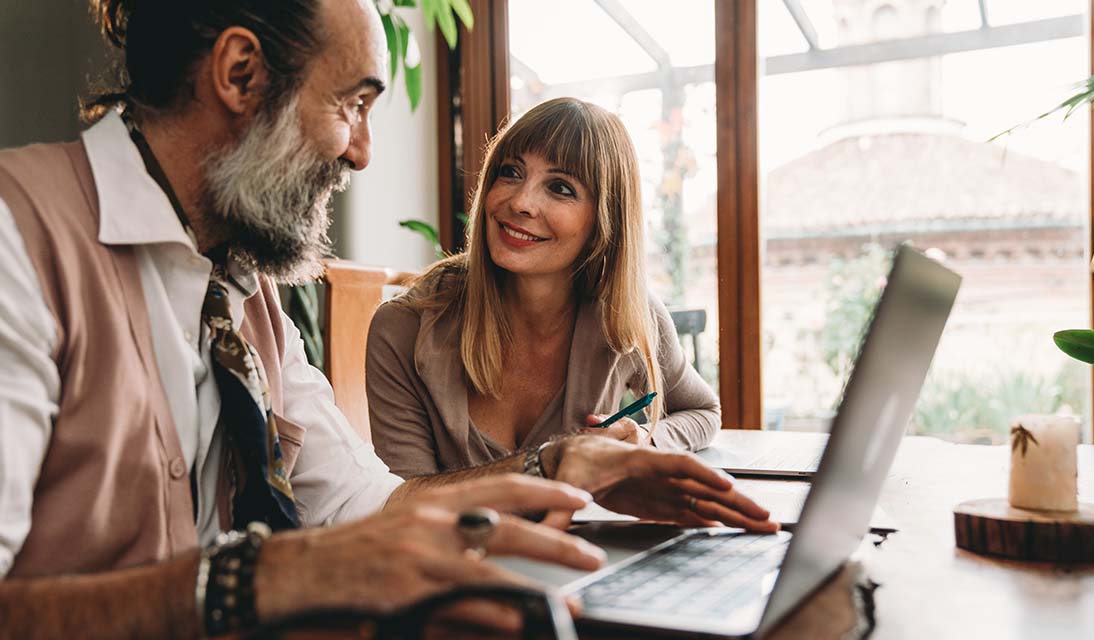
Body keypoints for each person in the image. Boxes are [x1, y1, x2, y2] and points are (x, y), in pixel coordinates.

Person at [0, 1, 777, 638]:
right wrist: (270, 578)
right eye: (351, 105)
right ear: (240, 75)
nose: (362, 152)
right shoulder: (18, 237)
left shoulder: (246, 297)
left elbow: (372, 503)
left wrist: (556, 467)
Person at [367, 97, 721, 479]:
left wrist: (644, 438)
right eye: (511, 172)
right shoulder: (404, 328)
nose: (521, 201)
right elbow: (406, 504)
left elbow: (703, 412)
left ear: (606, 221)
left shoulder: (627, 314)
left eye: (560, 188)